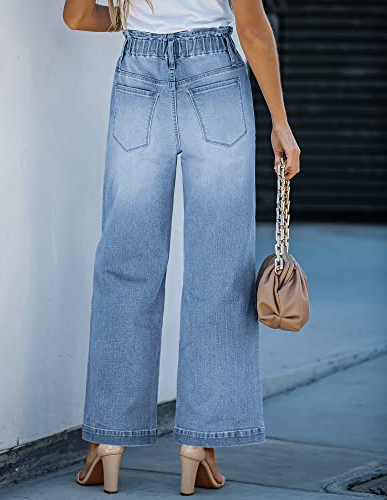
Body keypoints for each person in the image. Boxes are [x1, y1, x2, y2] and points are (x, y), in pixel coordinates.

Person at [63, 0, 300, 495]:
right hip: (215, 79)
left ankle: (108, 441)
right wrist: (281, 121)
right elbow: (252, 26)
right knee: (220, 268)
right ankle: (201, 443)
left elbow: (78, 16)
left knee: (125, 268)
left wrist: (132, 19)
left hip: (139, 75)